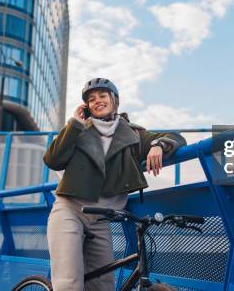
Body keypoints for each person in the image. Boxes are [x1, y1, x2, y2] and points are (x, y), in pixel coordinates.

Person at [43, 78, 187, 291]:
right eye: (91, 99)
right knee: (68, 283)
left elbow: (175, 137)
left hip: (102, 218)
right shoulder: (78, 130)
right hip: (70, 210)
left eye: (102, 96)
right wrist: (73, 124)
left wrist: (157, 145)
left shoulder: (133, 133)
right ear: (86, 107)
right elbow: (53, 159)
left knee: (103, 285)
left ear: (115, 101)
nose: (97, 101)